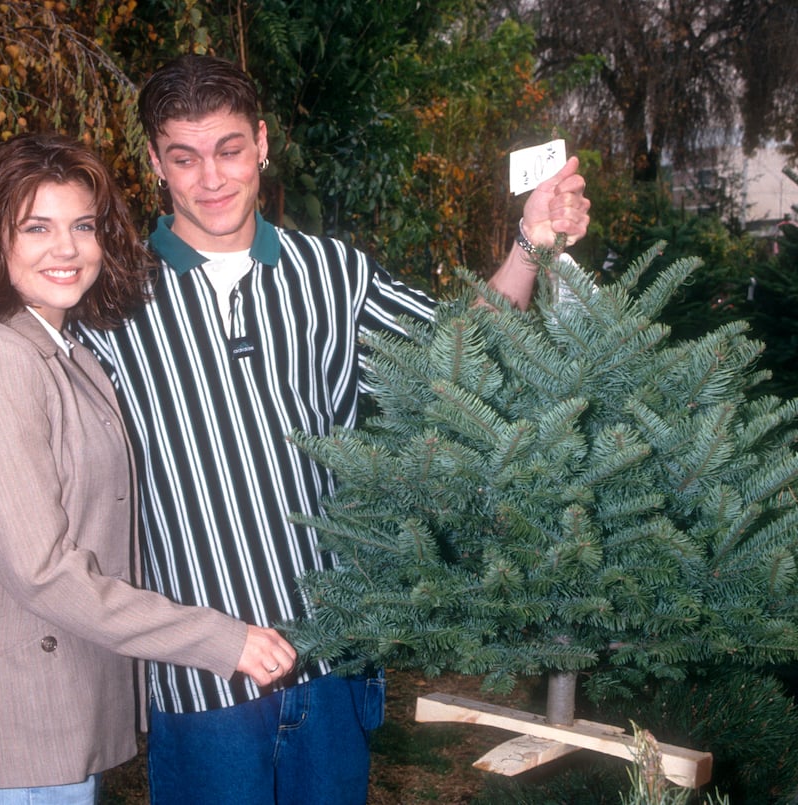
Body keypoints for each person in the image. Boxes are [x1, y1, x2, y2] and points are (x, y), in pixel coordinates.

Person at [77, 54, 591, 805]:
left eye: (228, 150)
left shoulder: (332, 272)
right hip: (202, 679)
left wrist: (529, 243)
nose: (211, 179)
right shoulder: (109, 294)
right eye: (184, 158)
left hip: (332, 659)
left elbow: (454, 353)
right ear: (155, 162)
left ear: (261, 143)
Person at [0, 132, 296, 805]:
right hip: (15, 726)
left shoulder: (67, 352)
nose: (66, 248)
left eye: (81, 226)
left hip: (61, 713)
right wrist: (216, 637)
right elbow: (42, 569)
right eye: (37, 227)